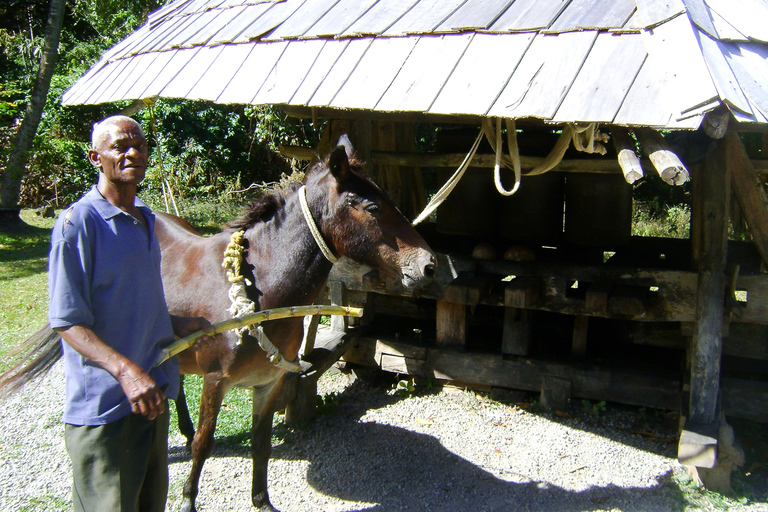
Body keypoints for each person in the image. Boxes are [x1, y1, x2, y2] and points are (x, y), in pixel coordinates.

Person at [48, 115, 211, 512]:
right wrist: (126, 372)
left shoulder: (146, 220)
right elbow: (68, 321)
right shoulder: (79, 224)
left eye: (139, 144)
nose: (133, 152)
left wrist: (181, 325)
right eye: (120, 146)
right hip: (107, 410)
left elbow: (132, 304)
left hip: (151, 399)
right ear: (95, 158)